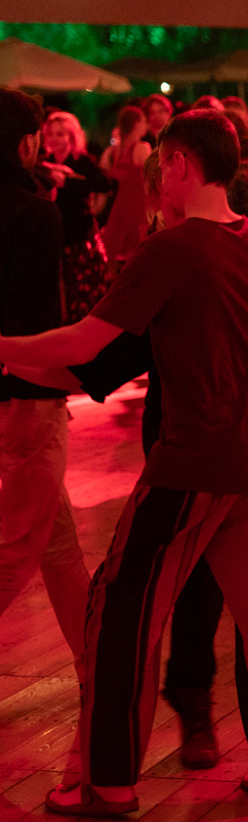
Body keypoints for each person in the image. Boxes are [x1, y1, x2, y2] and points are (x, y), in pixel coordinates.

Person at [0, 108, 248, 815]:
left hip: (197, 455)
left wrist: (5, 348)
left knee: (120, 608)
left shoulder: (171, 249)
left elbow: (85, 345)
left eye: (162, 165)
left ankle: (108, 781)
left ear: (178, 165)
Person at [0, 90, 91, 669]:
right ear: (27, 142)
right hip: (24, 397)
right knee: (16, 549)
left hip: (14, 394)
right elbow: (35, 317)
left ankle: (96, 668)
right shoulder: (35, 214)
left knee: (57, 543)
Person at [37, 111, 113, 324]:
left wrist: (68, 183)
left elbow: (105, 184)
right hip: (56, 235)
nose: (54, 139)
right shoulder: (45, 162)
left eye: (60, 134)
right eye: (50, 134)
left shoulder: (81, 161)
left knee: (85, 292)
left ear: (71, 136)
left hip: (80, 235)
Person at [98, 104, 152, 271]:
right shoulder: (142, 148)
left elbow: (103, 174)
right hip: (138, 207)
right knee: (138, 255)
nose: (147, 125)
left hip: (120, 207)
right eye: (145, 121)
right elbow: (150, 178)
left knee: (115, 256)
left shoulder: (113, 151)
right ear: (136, 124)